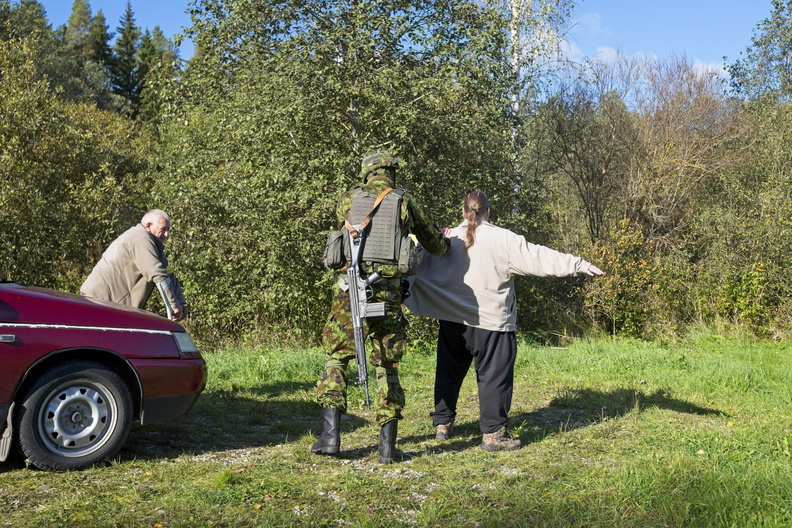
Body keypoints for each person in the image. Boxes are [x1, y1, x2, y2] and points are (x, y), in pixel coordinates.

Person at [405, 191, 604, 451]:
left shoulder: (447, 237)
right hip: (492, 323)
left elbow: (418, 261)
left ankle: (443, 425)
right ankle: (493, 436)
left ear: (464, 212)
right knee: (494, 378)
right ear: (487, 211)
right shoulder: (503, 239)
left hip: (453, 321)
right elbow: (540, 257)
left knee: (448, 374)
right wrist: (577, 264)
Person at [312, 148, 450, 464]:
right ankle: (387, 448)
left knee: (336, 358)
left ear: (366, 172)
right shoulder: (403, 201)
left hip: (347, 295)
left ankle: (330, 438)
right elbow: (434, 244)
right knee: (386, 364)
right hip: (385, 296)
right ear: (392, 173)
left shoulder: (347, 200)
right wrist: (444, 243)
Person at [81, 209, 188, 322]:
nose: (167, 234)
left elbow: (168, 272)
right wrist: (173, 305)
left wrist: (181, 302)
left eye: (168, 229)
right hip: (98, 302)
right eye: (163, 229)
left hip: (112, 305)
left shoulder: (155, 246)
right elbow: (156, 273)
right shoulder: (140, 237)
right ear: (148, 225)